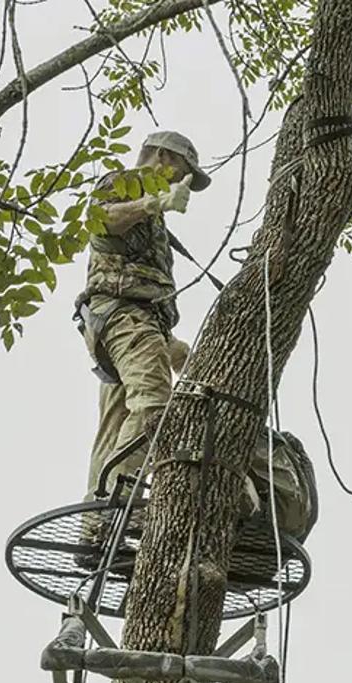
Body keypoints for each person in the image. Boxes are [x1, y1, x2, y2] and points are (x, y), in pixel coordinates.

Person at [77, 130, 211, 499]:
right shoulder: (127, 183)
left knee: (116, 425)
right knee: (154, 405)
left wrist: (175, 350)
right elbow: (99, 222)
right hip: (124, 318)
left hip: (129, 323)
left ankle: (95, 529)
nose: (183, 179)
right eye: (183, 169)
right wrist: (152, 203)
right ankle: (120, 509)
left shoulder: (153, 217)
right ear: (165, 158)